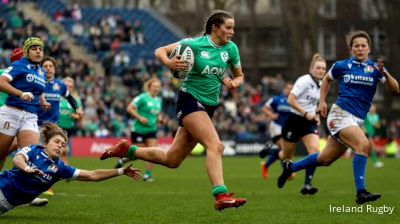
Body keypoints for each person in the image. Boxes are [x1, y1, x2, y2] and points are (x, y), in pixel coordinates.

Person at [101, 10, 246, 211]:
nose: (232, 32)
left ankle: (128, 150)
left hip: (210, 105)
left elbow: (240, 76)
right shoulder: (193, 44)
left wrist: (234, 82)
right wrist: (169, 62)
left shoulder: (231, 49)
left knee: (172, 160)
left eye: (233, 28)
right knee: (216, 146)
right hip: (190, 99)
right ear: (215, 27)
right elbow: (160, 50)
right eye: (228, 27)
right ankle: (220, 195)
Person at [277, 30, 399, 204]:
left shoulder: (375, 69)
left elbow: (396, 91)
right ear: (351, 49)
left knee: (324, 160)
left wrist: (385, 73)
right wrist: (322, 102)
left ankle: (290, 167)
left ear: (369, 48)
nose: (360, 48)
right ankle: (361, 192)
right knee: (363, 145)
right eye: (356, 46)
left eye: (363, 45)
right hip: (340, 114)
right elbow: (326, 80)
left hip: (355, 119)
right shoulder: (341, 65)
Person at [0, 123, 142, 215]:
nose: (60, 146)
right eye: (56, 142)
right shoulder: (34, 149)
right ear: (47, 143)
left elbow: (93, 175)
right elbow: (17, 159)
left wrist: (122, 171)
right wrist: (26, 168)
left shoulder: (61, 169)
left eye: (63, 144)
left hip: (6, 204)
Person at [278, 53, 326, 195]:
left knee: (315, 152)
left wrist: (316, 115)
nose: (321, 71)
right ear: (311, 68)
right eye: (318, 68)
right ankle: (273, 152)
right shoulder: (304, 80)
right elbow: (290, 100)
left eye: (323, 68)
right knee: (286, 155)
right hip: (294, 120)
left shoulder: (322, 83)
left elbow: (316, 103)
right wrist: (305, 113)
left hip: (308, 123)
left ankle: (307, 185)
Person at [0, 37, 47, 170]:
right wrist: (20, 94)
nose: (38, 52)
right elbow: (1, 82)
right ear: (26, 51)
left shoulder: (41, 72)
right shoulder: (19, 65)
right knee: (1, 154)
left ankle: (18, 187)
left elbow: (37, 91)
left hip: (30, 116)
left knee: (31, 157)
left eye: (40, 49)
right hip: (10, 113)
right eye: (34, 49)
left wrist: (42, 100)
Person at [38, 57, 83, 196]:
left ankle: (46, 185)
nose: (48, 68)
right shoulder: (37, 83)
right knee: (38, 155)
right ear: (41, 68)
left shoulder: (59, 85)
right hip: (36, 124)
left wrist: (78, 109)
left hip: (53, 127)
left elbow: (70, 98)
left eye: (51, 65)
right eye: (45, 65)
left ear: (54, 69)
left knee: (51, 156)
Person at [114, 78, 163, 182]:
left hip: (151, 129)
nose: (156, 88)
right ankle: (123, 160)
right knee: (138, 153)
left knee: (152, 152)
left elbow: (157, 114)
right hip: (138, 130)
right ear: (149, 87)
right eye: (154, 86)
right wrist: (139, 118)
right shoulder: (142, 97)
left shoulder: (158, 101)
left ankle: (147, 175)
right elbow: (129, 108)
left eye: (158, 87)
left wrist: (160, 119)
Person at [259, 82, 293, 180]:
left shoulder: (293, 101)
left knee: (284, 151)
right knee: (284, 148)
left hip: (287, 129)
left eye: (292, 89)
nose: (290, 90)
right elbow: (265, 108)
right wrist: (271, 115)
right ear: (284, 89)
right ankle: (286, 172)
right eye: (288, 88)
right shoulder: (276, 99)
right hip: (276, 127)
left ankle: (266, 165)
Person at [58, 76, 84, 163]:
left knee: (63, 151)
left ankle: (63, 169)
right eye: (66, 86)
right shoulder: (56, 96)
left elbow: (80, 115)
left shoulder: (76, 99)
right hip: (55, 126)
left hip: (68, 128)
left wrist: (75, 116)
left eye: (70, 87)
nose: (68, 88)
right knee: (58, 149)